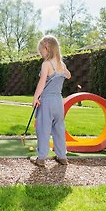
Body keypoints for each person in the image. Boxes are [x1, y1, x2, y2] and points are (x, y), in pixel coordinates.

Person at [30, 35, 71, 167]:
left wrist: (35, 97)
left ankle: (41, 158)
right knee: (59, 128)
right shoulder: (61, 64)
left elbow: (41, 83)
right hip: (59, 101)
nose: (41, 54)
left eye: (41, 51)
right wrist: (63, 71)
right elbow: (69, 75)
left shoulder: (46, 64)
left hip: (47, 100)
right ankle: (62, 156)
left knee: (43, 128)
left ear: (47, 48)